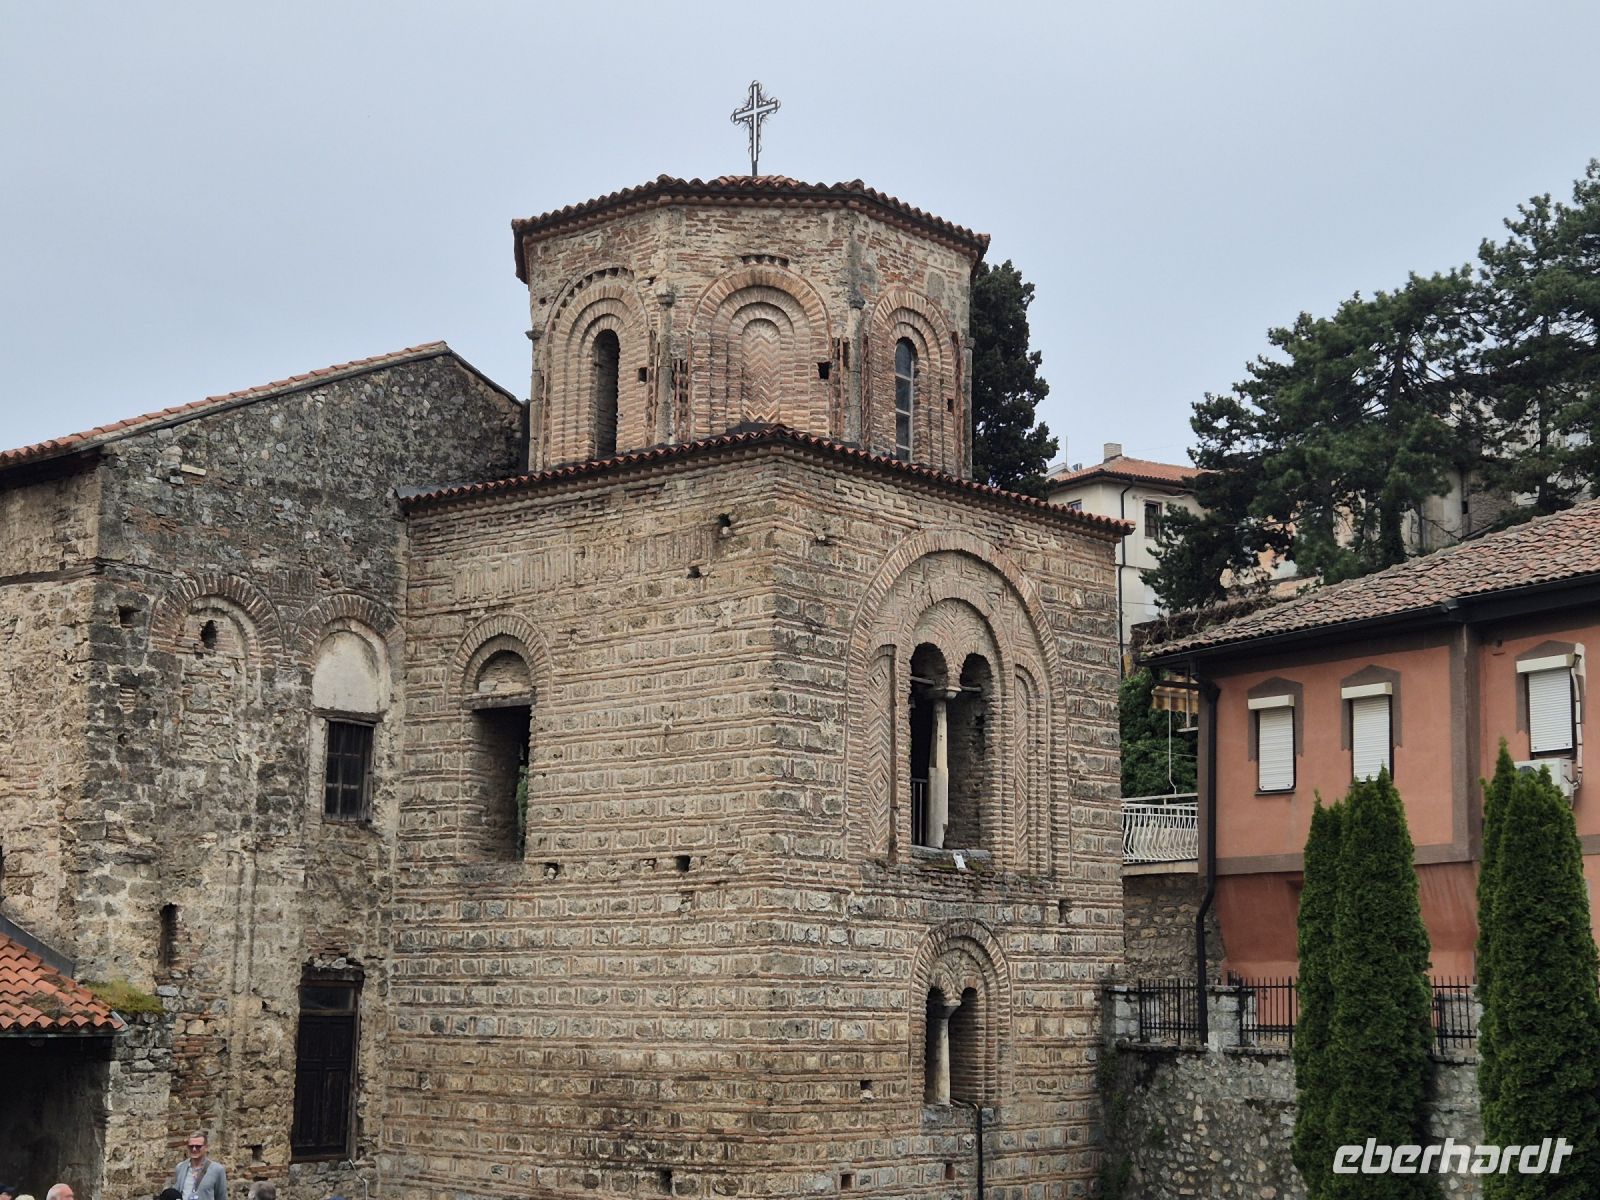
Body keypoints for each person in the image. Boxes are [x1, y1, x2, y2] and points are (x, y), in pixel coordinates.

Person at [172, 1132, 226, 1200]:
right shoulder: (180, 1167)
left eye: (198, 1146)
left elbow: (221, 1197)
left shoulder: (217, 1169)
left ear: (206, 1147)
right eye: (191, 1146)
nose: (194, 1149)